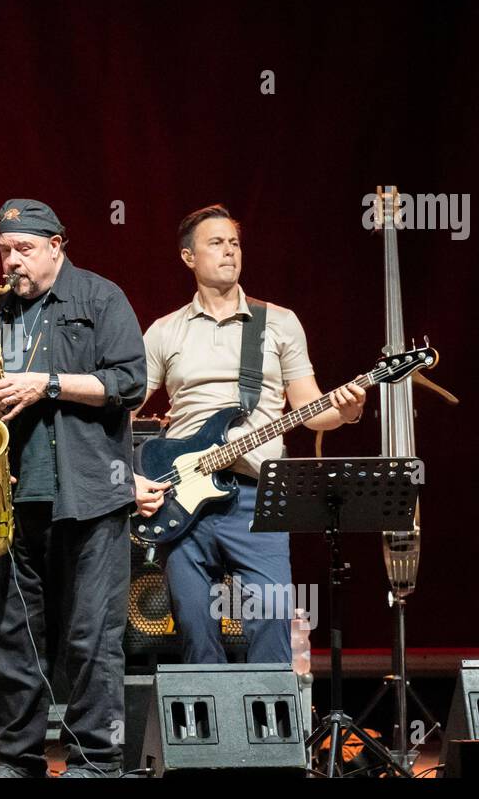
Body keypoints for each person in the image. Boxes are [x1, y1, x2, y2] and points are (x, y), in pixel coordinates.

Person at [0, 199, 146, 777]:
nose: (12, 261)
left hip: (89, 498)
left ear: (57, 244)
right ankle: (17, 759)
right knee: (13, 643)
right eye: (5, 251)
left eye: (24, 249)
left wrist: (49, 384)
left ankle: (94, 761)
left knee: (90, 640)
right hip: (11, 504)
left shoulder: (101, 298)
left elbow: (130, 382)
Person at [134, 204, 365, 665]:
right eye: (215, 243)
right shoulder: (164, 331)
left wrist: (347, 412)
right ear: (188, 258)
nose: (229, 252)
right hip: (184, 496)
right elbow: (120, 408)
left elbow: (310, 408)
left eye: (234, 243)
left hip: (258, 495)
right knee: (195, 621)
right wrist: (131, 478)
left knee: (274, 616)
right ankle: (210, 734)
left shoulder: (278, 322)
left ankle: (272, 732)